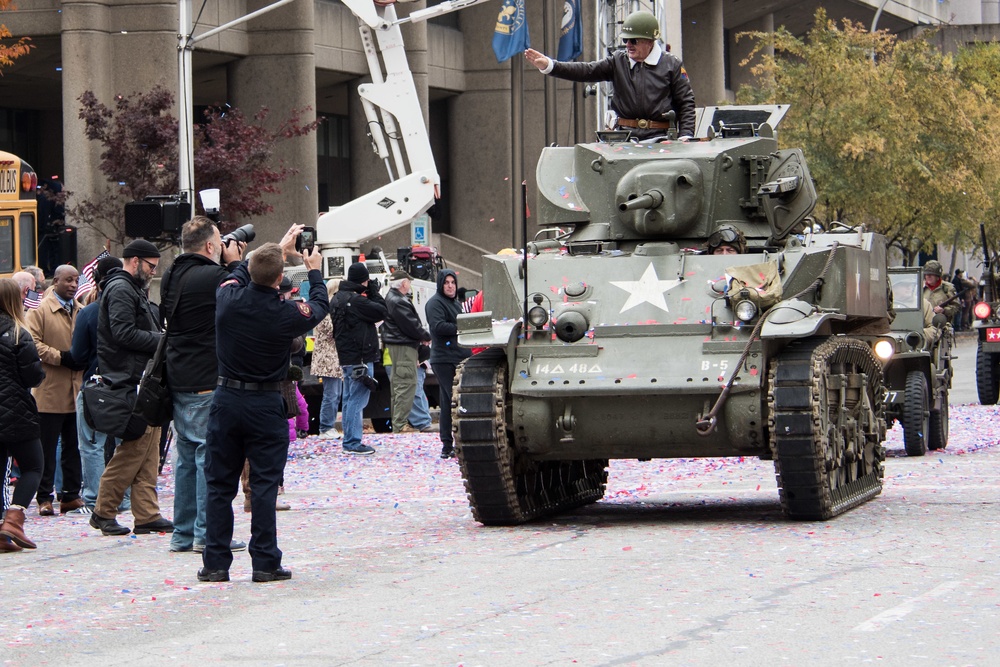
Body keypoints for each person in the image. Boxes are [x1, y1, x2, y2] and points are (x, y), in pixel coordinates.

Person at [199, 227, 329, 584]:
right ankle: (265, 562)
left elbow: (237, 273)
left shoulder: (227, 299)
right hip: (265, 402)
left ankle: (215, 563)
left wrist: (276, 250)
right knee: (265, 484)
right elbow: (319, 304)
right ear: (279, 281)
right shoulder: (284, 312)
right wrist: (312, 268)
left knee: (219, 485)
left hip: (226, 399)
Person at [159, 216, 245, 555]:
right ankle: (206, 534)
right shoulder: (213, 276)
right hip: (206, 376)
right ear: (210, 246)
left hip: (179, 373)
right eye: (220, 241)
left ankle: (182, 533)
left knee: (186, 456)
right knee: (208, 455)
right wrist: (237, 261)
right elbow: (240, 295)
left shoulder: (171, 275)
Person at [88, 239, 174, 537]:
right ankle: (103, 511)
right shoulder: (122, 288)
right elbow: (123, 333)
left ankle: (147, 513)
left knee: (149, 448)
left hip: (140, 378)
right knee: (134, 448)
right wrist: (163, 341)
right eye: (151, 266)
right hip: (129, 379)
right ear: (135, 261)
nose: (153, 272)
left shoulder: (129, 288)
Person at [524, 10, 695, 140]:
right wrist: (550, 65)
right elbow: (586, 70)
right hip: (625, 139)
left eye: (633, 40)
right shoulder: (618, 61)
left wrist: (685, 136)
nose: (628, 45)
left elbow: (686, 102)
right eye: (625, 40)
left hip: (662, 140)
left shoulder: (672, 64)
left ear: (650, 42)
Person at [24, 264, 87, 516]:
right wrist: (61, 357)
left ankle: (70, 495)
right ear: (56, 281)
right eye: (68, 280)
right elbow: (32, 344)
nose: (73, 285)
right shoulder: (39, 311)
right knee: (46, 448)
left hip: (76, 390)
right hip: (49, 390)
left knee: (74, 446)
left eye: (76, 280)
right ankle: (44, 497)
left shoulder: (81, 311)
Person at [70, 255, 126, 512]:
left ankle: (94, 499)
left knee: (92, 445)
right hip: (126, 385)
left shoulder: (89, 313)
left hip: (95, 385)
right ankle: (121, 498)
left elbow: (78, 355)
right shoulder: (135, 308)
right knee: (123, 445)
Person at [0, 278, 46, 553]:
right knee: (33, 465)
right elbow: (33, 375)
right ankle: (14, 519)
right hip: (16, 410)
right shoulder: (18, 333)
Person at [330, 262, 388, 456]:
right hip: (360, 357)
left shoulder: (338, 298)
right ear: (363, 281)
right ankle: (353, 442)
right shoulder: (356, 301)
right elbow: (382, 311)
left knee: (349, 399)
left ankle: (349, 440)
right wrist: (373, 292)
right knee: (357, 399)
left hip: (347, 357)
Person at [426, 269, 472, 459]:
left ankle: (448, 444)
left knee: (447, 402)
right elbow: (437, 327)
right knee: (454, 400)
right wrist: (464, 326)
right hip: (445, 359)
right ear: (440, 284)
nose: (450, 286)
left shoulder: (455, 303)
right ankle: (450, 443)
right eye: (446, 282)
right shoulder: (435, 303)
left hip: (458, 356)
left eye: (453, 282)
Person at [382, 270, 433, 434]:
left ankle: (399, 423)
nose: (410, 285)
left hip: (397, 346)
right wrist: (425, 336)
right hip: (404, 347)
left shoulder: (391, 298)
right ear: (403, 283)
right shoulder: (398, 301)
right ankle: (400, 424)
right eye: (409, 282)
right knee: (406, 385)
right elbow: (411, 325)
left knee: (399, 386)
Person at [311, 279, 343, 439]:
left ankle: (328, 426)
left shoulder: (332, 307)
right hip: (328, 358)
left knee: (336, 394)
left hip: (334, 356)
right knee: (331, 394)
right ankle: (325, 427)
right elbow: (331, 329)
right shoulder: (328, 308)